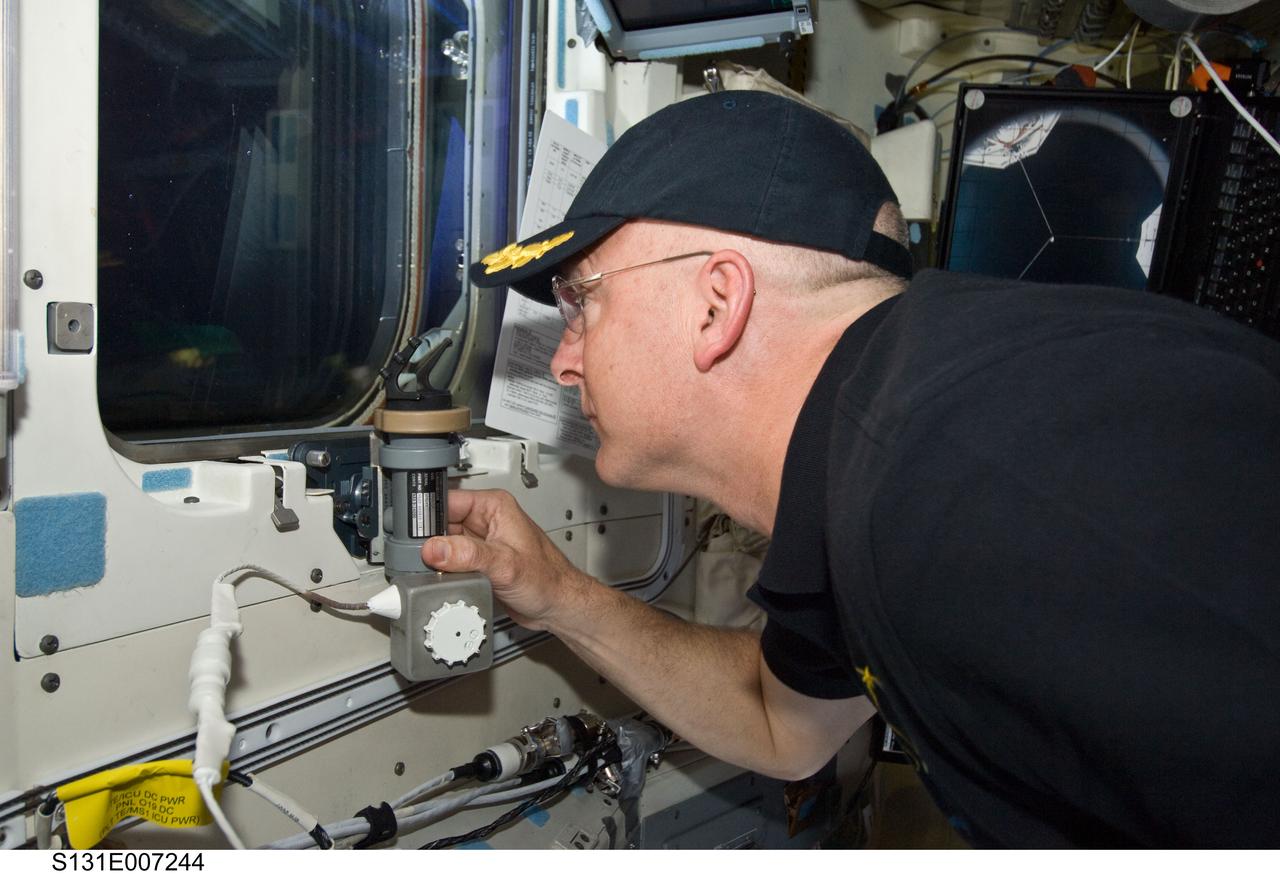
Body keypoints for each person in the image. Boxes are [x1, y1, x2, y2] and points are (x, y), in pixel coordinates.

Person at [421, 91, 1280, 847]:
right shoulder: (858, 471)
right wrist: (557, 592)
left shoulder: (973, 472)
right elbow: (780, 724)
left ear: (718, 302)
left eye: (581, 301)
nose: (565, 363)